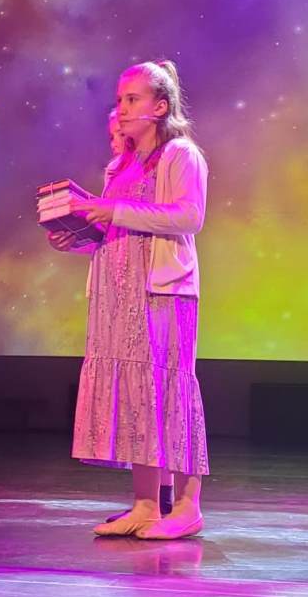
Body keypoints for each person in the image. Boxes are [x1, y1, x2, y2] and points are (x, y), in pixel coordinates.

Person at [52, 60, 208, 540]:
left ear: (160, 107)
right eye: (120, 99)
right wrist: (80, 235)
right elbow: (118, 228)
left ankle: (187, 506)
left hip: (159, 290)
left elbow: (188, 216)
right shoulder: (120, 163)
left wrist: (112, 209)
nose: (122, 108)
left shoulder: (180, 154)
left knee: (168, 388)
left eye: (133, 99)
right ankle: (146, 505)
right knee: (137, 392)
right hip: (117, 293)